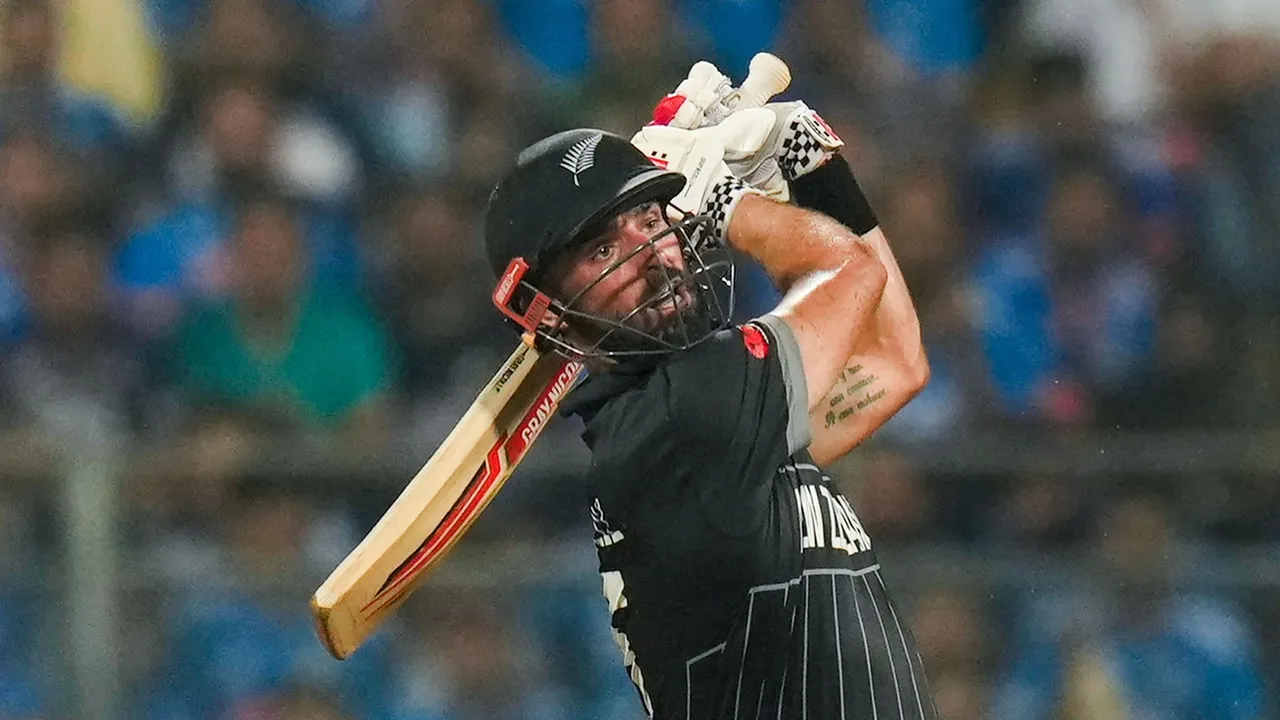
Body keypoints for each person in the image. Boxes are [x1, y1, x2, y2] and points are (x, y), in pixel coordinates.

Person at [482, 66, 933, 719]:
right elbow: (848, 272)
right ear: (550, 311)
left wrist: (806, 157)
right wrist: (726, 198)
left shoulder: (719, 416)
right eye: (603, 249)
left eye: (646, 217)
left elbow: (895, 361)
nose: (649, 251)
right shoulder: (680, 418)